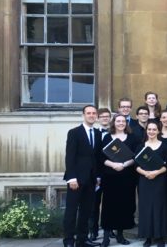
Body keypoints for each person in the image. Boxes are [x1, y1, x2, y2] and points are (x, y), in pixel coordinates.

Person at [63, 105, 102, 247]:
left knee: (86, 211)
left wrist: (98, 177)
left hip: (91, 180)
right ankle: (68, 240)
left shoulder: (97, 133)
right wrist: (71, 178)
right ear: (83, 115)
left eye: (94, 113)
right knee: (71, 211)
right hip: (76, 179)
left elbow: (97, 157)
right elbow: (70, 156)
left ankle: (82, 239)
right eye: (89, 113)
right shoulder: (74, 132)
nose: (91, 115)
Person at [99, 114, 139, 247]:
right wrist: (113, 165)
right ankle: (106, 237)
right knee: (109, 206)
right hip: (110, 176)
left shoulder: (132, 138)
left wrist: (124, 165)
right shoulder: (106, 137)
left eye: (123, 121)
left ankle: (120, 235)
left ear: (126, 123)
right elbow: (101, 157)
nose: (121, 123)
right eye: (118, 121)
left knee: (124, 206)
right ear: (113, 123)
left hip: (127, 176)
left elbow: (136, 157)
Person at [135, 121, 167, 247]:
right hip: (145, 181)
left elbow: (166, 166)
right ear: (146, 131)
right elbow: (136, 165)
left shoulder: (164, 146)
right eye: (149, 129)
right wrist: (145, 173)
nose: (151, 132)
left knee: (159, 207)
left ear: (158, 131)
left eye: (154, 129)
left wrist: (156, 172)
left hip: (159, 180)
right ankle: (148, 237)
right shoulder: (140, 147)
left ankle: (160, 237)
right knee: (146, 208)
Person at [89, 108, 112, 242]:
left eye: (107, 116)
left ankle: (110, 231)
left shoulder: (114, 134)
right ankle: (93, 231)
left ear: (110, 118)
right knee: (94, 204)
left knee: (109, 204)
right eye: (102, 116)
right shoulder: (94, 133)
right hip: (96, 174)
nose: (104, 118)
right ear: (98, 118)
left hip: (110, 173)